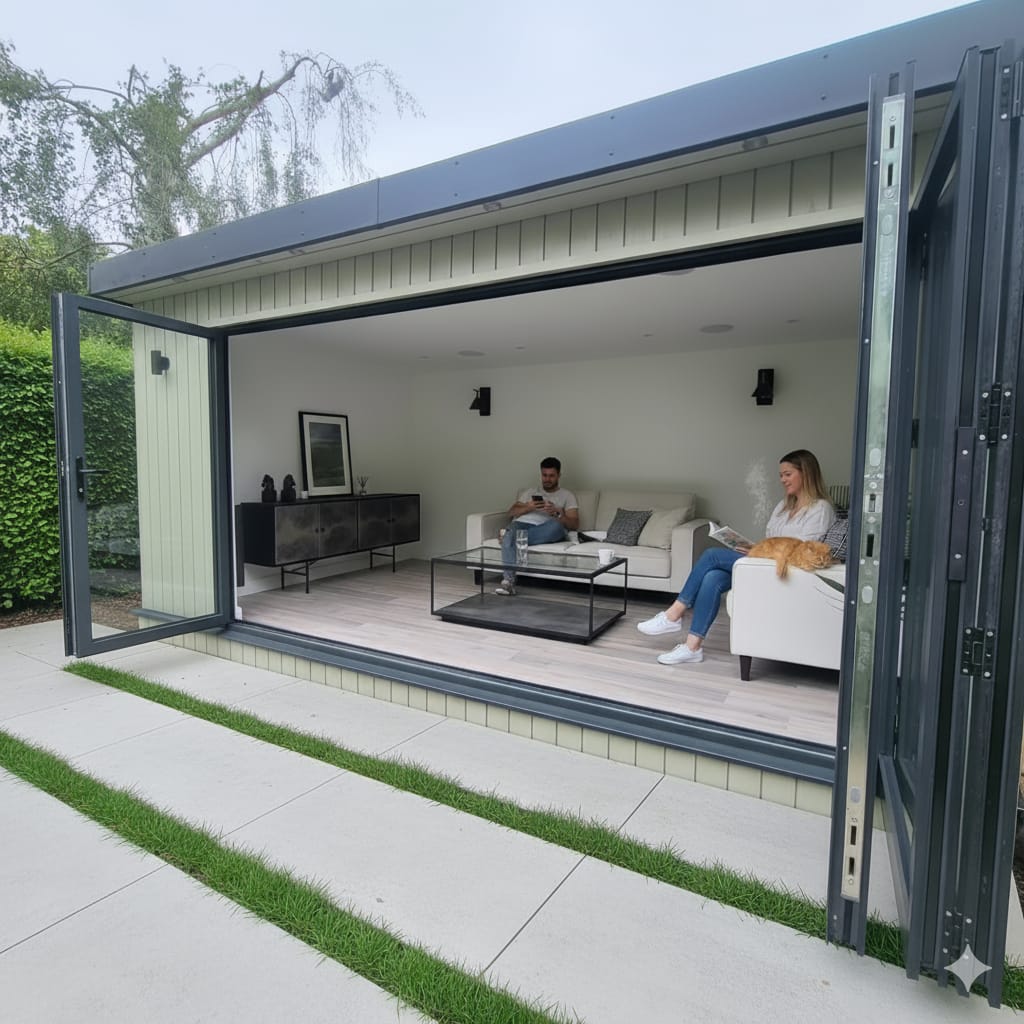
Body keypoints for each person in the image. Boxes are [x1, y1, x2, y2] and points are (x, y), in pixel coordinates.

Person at [637, 449, 835, 664]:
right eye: (781, 475)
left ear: (806, 473)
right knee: (712, 578)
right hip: (764, 565)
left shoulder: (821, 509)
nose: (782, 480)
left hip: (786, 571)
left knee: (711, 555)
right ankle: (692, 647)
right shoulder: (783, 506)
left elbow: (802, 552)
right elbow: (772, 540)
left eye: (788, 474)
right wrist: (754, 547)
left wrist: (760, 553)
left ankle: (673, 614)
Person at [496, 456, 579, 595]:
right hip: (522, 524)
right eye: (544, 475)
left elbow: (574, 524)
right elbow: (511, 512)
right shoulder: (530, 492)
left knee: (556, 526)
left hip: (548, 527)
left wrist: (557, 513)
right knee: (514, 526)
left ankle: (509, 538)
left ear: (559, 475)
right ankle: (508, 583)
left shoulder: (567, 495)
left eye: (551, 476)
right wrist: (528, 507)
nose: (547, 479)